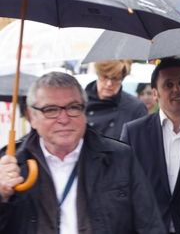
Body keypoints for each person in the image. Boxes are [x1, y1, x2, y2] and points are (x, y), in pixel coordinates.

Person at [0, 72, 165, 234]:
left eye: (73, 107)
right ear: (32, 116)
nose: (64, 119)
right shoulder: (10, 165)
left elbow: (150, 225)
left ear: (84, 111)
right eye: (51, 110)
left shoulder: (119, 158)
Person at [121, 57, 180, 234]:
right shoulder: (134, 133)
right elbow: (124, 186)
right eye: (168, 85)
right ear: (155, 93)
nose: (177, 89)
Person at [85, 60, 147, 139]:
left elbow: (143, 143)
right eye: (105, 77)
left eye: (115, 79)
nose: (109, 84)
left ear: (122, 79)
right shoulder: (80, 102)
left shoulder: (135, 108)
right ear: (98, 74)